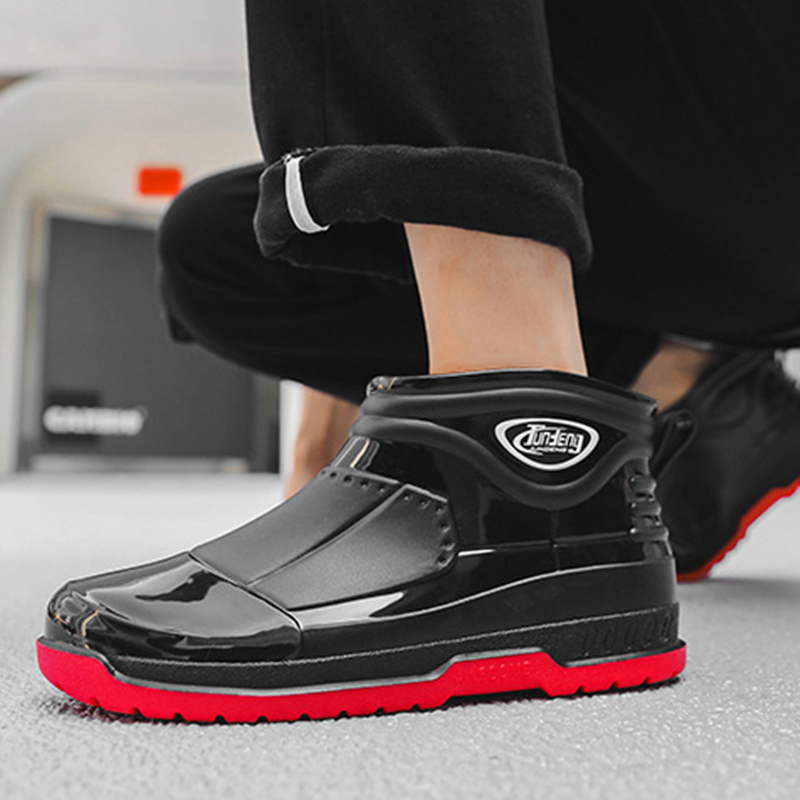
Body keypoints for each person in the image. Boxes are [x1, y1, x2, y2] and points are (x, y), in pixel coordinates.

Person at [36, 1, 800, 722]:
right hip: (664, 193)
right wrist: (326, 481)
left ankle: (521, 465)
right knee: (212, 248)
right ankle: (675, 403)